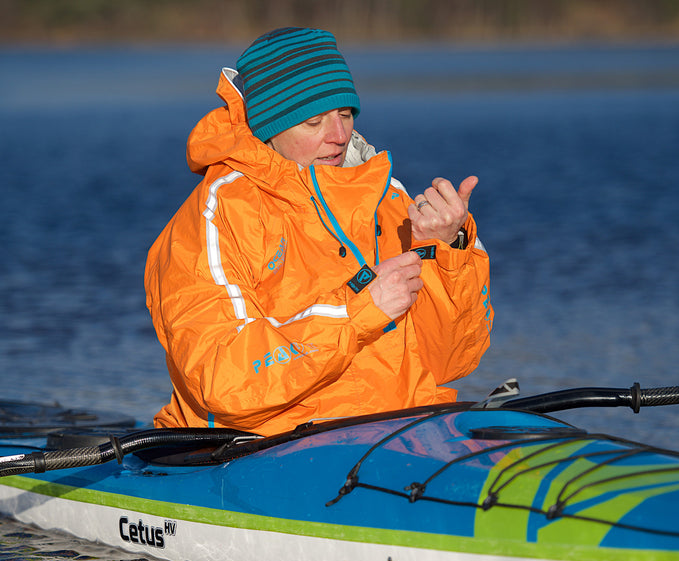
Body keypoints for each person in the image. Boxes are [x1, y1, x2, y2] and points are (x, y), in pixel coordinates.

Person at [145, 27, 493, 435]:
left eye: (345, 114)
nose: (340, 136)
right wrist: (357, 311)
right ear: (269, 129)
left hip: (398, 434)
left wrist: (448, 248)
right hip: (262, 447)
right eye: (314, 122)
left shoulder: (391, 200)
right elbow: (224, 381)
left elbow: (452, 361)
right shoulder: (216, 215)